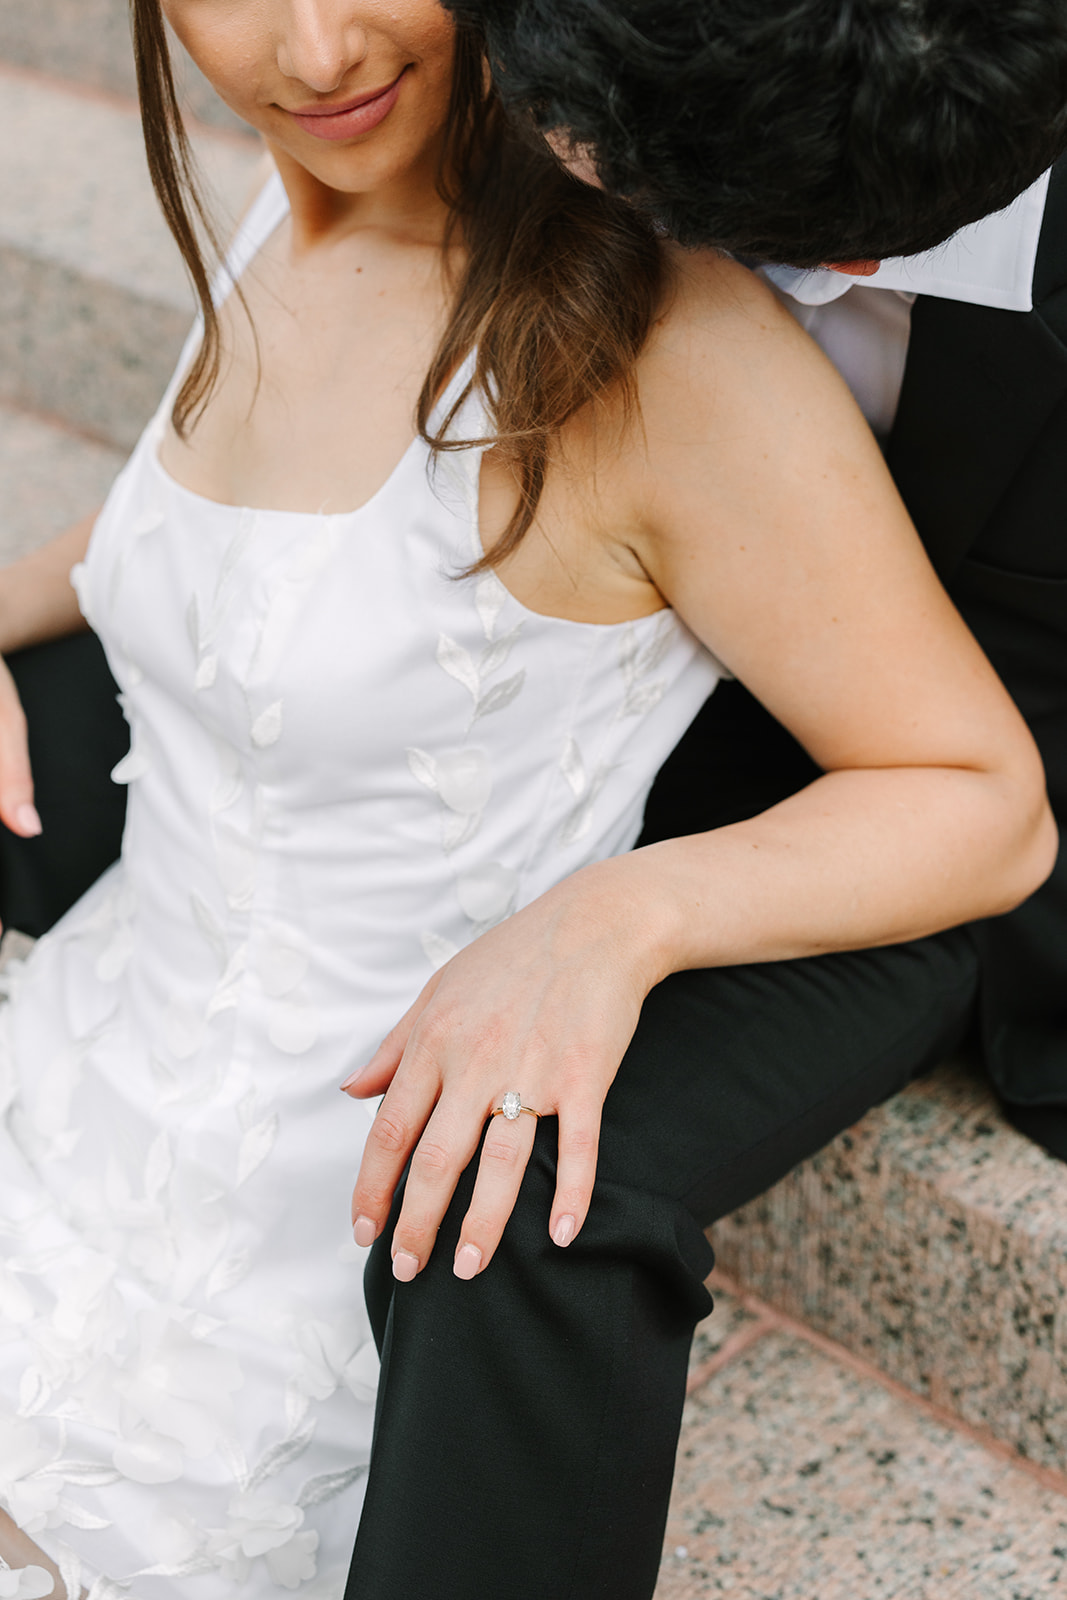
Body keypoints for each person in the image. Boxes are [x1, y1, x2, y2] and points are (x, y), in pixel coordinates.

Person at [0, 9, 1056, 1600]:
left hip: (345, 1161)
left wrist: (617, 918)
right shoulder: (291, 192)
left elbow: (981, 791)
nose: (312, 44)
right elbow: (219, 543)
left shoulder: (677, 344)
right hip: (111, 1057)